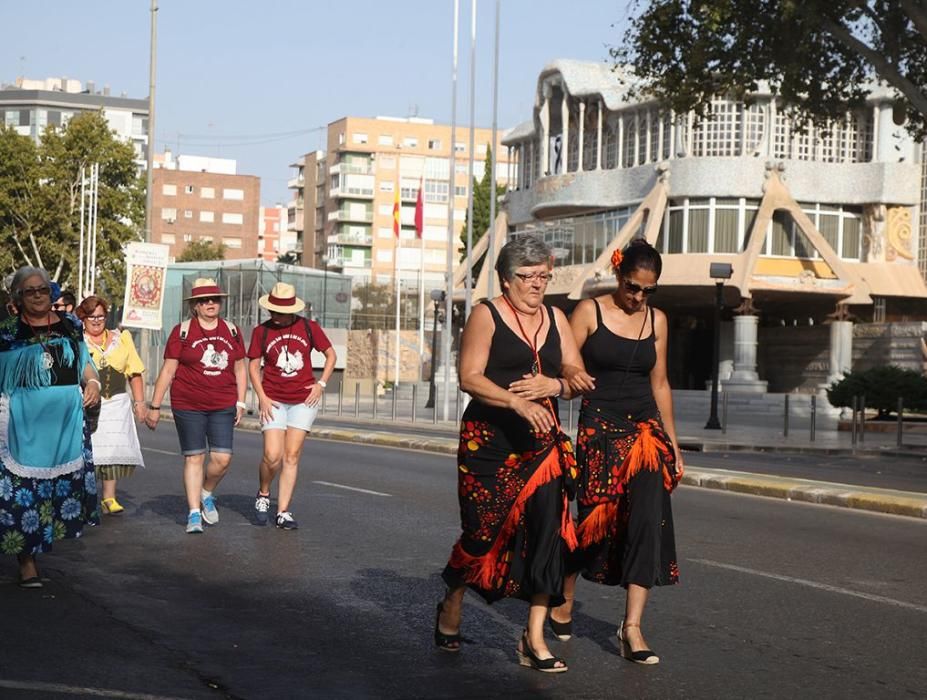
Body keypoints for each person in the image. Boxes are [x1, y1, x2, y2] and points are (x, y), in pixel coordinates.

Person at [435, 235, 594, 673]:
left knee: (548, 534)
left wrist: (555, 386)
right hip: (488, 441)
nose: (538, 283)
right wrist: (517, 400)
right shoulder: (487, 315)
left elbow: (577, 373)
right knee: (481, 533)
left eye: (544, 275)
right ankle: (452, 598)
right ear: (506, 280)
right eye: (528, 276)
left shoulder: (557, 318)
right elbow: (469, 377)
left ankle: (534, 637)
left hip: (541, 445)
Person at [551, 239, 684, 665]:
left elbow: (660, 383)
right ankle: (565, 589)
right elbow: (562, 364)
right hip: (600, 430)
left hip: (645, 432)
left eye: (649, 290)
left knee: (647, 521)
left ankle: (632, 627)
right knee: (596, 525)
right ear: (617, 274)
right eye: (632, 287)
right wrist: (572, 373)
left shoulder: (657, 321)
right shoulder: (589, 311)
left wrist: (674, 444)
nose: (639, 298)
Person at [0, 266, 101, 588]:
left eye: (43, 289)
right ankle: (27, 561)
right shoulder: (7, 331)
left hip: (65, 422)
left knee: (55, 490)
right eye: (29, 291)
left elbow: (83, 359)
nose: (38, 296)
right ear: (18, 296)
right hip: (23, 423)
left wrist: (94, 381)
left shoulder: (70, 325)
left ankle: (40, 542)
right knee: (22, 494)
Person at [145, 278, 246, 534]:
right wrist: (155, 406)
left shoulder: (232, 331)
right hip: (188, 403)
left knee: (222, 459)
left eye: (214, 299)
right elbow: (168, 370)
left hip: (223, 402)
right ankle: (193, 514)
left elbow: (239, 367)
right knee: (195, 457)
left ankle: (206, 492)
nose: (210, 304)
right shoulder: (182, 331)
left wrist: (242, 400)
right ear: (195, 306)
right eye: (204, 300)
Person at [247, 282, 336, 530]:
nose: (276, 316)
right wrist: (261, 396)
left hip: (303, 400)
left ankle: (283, 511)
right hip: (273, 399)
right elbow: (253, 366)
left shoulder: (309, 327)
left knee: (292, 456)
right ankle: (264, 493)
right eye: (273, 311)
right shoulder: (261, 332)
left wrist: (321, 384)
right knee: (272, 455)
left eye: (281, 311)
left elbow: (331, 355)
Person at [76, 295, 147, 515]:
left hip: (117, 402)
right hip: (87, 402)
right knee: (88, 450)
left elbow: (134, 373)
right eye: (91, 317)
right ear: (83, 319)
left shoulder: (121, 338)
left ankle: (109, 497)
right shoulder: (77, 341)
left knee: (114, 449)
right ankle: (83, 497)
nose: (96, 321)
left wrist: (140, 402)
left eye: (101, 316)